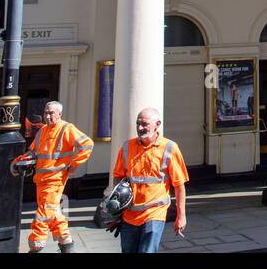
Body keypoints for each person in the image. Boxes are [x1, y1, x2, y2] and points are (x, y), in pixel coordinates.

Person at [12, 101, 93, 253]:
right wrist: (21, 160)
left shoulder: (66, 128)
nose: (48, 116)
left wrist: (73, 165)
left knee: (43, 213)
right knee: (53, 211)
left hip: (55, 180)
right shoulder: (42, 130)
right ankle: (66, 244)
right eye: (46, 113)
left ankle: (36, 246)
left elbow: (87, 145)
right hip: (41, 180)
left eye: (51, 113)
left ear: (59, 114)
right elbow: (33, 152)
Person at [110, 107, 188, 253]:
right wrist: (117, 212)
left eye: (144, 124)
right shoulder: (127, 146)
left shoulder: (170, 148)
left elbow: (179, 185)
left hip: (154, 213)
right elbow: (118, 179)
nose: (140, 128)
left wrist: (181, 216)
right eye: (138, 123)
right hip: (129, 216)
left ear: (157, 124)